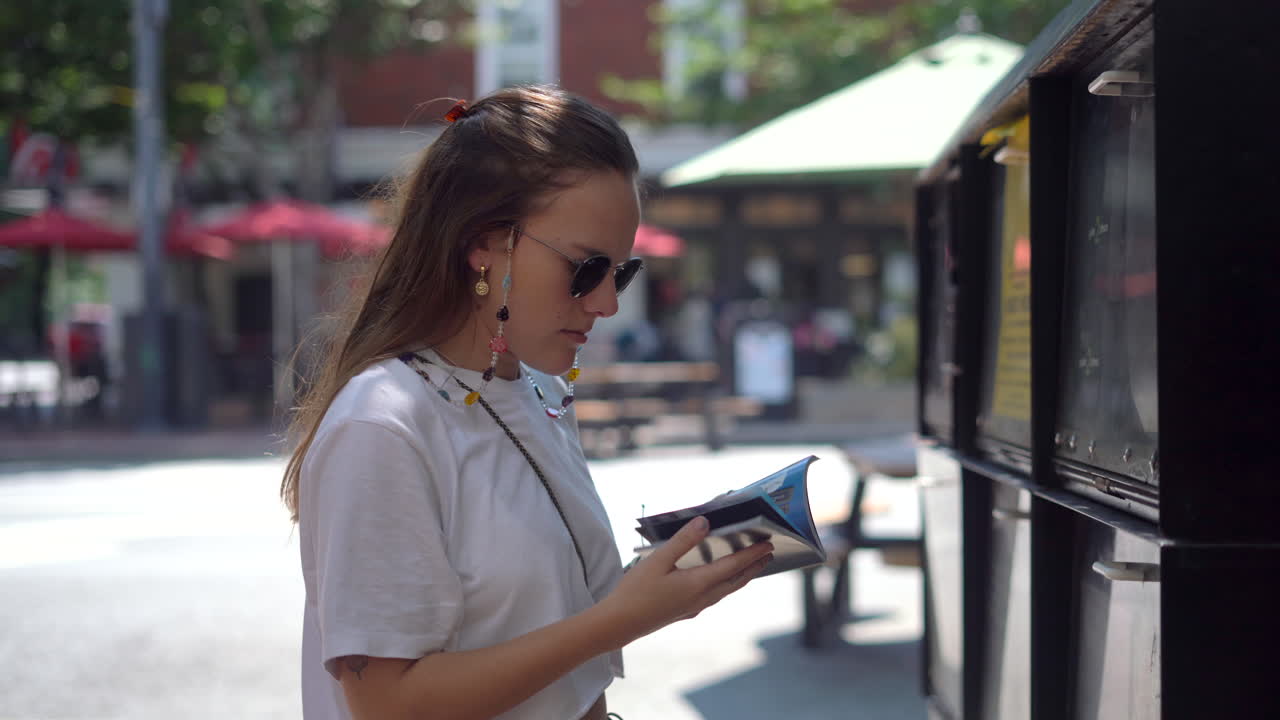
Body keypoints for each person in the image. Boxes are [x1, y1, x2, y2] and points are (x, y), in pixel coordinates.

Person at [281, 85, 774, 720]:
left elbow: (560, 668)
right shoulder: (383, 424)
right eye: (586, 266)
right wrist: (619, 620)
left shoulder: (537, 391)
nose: (607, 302)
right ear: (483, 243)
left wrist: (643, 596)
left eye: (621, 272)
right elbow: (387, 704)